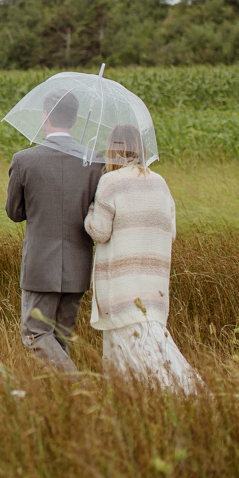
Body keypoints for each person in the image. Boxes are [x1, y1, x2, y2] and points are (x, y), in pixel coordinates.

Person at [84, 123, 204, 394]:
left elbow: (100, 232)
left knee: (135, 358)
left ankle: (190, 397)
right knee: (150, 350)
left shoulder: (110, 182)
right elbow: (169, 232)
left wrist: (91, 209)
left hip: (121, 289)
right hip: (154, 288)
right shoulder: (160, 183)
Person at [5, 89, 102, 373]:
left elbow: (14, 213)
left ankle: (79, 383)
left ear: (45, 116)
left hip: (39, 264)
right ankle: (68, 404)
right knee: (60, 338)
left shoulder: (24, 159)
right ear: (73, 120)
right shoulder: (93, 161)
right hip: (78, 263)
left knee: (34, 333)